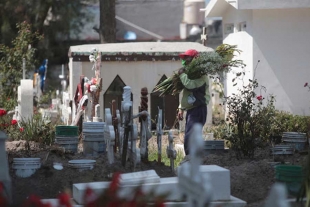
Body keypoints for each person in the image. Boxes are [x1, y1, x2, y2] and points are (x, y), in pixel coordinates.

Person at [177, 49, 210, 162]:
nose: (186, 62)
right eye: (185, 60)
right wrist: (181, 108)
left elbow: (190, 85)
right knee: (190, 136)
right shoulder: (190, 75)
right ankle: (192, 159)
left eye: (188, 59)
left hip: (198, 109)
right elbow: (186, 94)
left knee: (190, 137)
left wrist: (182, 75)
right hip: (191, 110)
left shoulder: (202, 76)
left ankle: (191, 160)